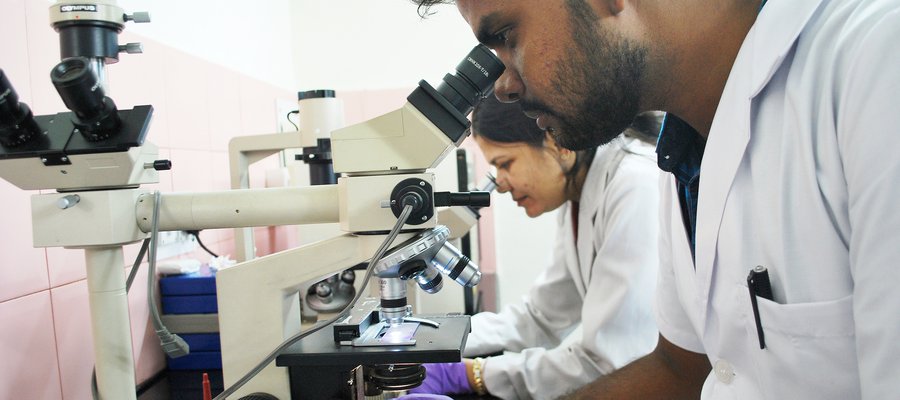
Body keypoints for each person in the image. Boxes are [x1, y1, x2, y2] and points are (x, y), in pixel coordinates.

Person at [409, 1, 900, 399]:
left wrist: (473, 378)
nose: (504, 86)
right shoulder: (683, 151)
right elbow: (679, 369)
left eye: (508, 37)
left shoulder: (875, 65)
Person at [410, 96, 662, 399]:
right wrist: (431, 336)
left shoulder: (636, 186)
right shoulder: (580, 196)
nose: (500, 184)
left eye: (505, 164)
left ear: (557, 143)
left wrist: (472, 373)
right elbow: (540, 318)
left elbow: (606, 363)